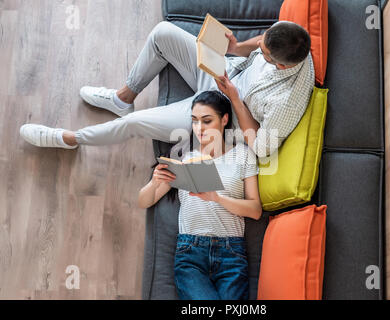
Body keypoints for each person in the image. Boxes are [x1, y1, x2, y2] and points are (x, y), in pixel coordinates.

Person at [20, 20, 315, 159]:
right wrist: (237, 47)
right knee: (163, 33)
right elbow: (266, 39)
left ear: (283, 67)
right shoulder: (293, 38)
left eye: (264, 54)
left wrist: (235, 99)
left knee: (135, 124)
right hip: (225, 72)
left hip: (221, 110)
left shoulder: (286, 102)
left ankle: (71, 139)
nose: (260, 49)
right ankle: (123, 98)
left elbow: (262, 148)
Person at [138, 91, 262, 300]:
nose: (199, 128)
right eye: (194, 121)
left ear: (224, 119)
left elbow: (256, 210)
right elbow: (144, 201)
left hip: (231, 251)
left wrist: (217, 198)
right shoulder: (184, 157)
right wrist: (154, 181)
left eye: (207, 121)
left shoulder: (242, 154)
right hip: (191, 252)